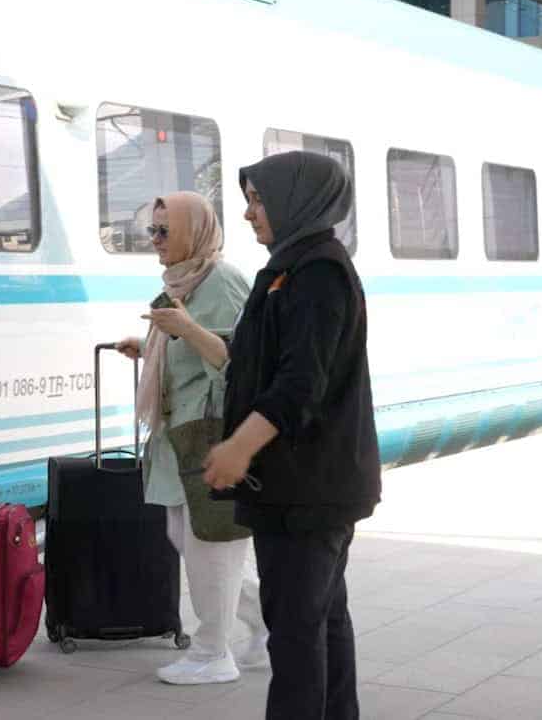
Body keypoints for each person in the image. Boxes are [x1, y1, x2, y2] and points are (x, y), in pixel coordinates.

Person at [204, 151, 381, 720]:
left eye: (258, 200)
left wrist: (239, 447)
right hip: (305, 484)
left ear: (295, 200)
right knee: (321, 618)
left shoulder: (317, 273)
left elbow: (301, 383)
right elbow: (260, 359)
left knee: (297, 631)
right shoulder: (293, 266)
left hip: (307, 488)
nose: (249, 213)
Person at [115, 191, 267, 686]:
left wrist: (184, 328)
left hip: (208, 433)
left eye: (165, 231)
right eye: (152, 230)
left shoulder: (221, 280)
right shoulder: (186, 278)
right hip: (178, 432)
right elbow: (189, 349)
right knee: (187, 537)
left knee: (211, 546)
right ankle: (269, 618)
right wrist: (150, 348)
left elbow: (238, 362)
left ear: (192, 231)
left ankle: (212, 653)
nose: (155, 240)